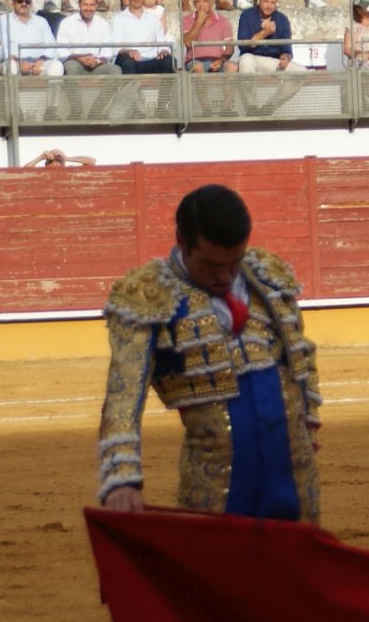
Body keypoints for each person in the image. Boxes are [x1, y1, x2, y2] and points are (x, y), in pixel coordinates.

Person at [97, 184, 322, 521]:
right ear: (181, 241)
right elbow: (123, 394)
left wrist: (308, 423)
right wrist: (121, 477)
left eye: (234, 262)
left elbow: (300, 356)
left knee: (296, 554)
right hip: (216, 484)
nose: (224, 276)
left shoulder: (266, 278)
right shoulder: (147, 296)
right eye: (210, 265)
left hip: (294, 475)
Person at [0, 0, 60, 76]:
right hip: (14, 62)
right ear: (13, 3)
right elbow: (1, 46)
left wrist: (42, 59)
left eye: (27, 1)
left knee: (56, 67)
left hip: (39, 63)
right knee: (11, 67)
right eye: (20, 1)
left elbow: (51, 45)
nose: (24, 4)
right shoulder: (3, 20)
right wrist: (19, 62)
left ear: (31, 4)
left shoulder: (41, 21)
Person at [112, 0, 176, 75]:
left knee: (168, 60)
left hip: (152, 59)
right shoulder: (119, 19)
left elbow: (162, 41)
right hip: (130, 59)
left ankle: (166, 86)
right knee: (127, 62)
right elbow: (116, 46)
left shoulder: (154, 19)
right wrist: (128, 51)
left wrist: (164, 50)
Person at [236, 0, 303, 74]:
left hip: (274, 61)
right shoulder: (246, 16)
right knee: (246, 60)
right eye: (266, 1)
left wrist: (285, 57)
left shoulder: (282, 19)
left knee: (301, 70)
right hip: (253, 58)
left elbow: (287, 49)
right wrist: (264, 32)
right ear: (259, 0)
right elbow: (243, 45)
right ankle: (249, 84)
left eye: (272, 3)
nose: (269, 6)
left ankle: (284, 85)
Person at [55, 0, 120, 77]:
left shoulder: (103, 24)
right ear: (79, 5)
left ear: (96, 6)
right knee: (72, 67)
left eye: (92, 5)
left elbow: (108, 51)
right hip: (75, 62)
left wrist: (97, 61)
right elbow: (61, 51)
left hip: (96, 64)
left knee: (115, 69)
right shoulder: (67, 22)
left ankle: (101, 88)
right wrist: (80, 58)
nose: (89, 8)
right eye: (85, 5)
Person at [182, 0, 235, 73]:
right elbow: (188, 43)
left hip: (218, 60)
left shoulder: (223, 21)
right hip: (194, 60)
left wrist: (221, 61)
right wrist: (199, 21)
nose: (201, 5)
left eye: (205, 1)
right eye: (198, 1)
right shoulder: (187, 20)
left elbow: (230, 48)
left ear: (212, 3)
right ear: (194, 4)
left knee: (232, 67)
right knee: (198, 67)